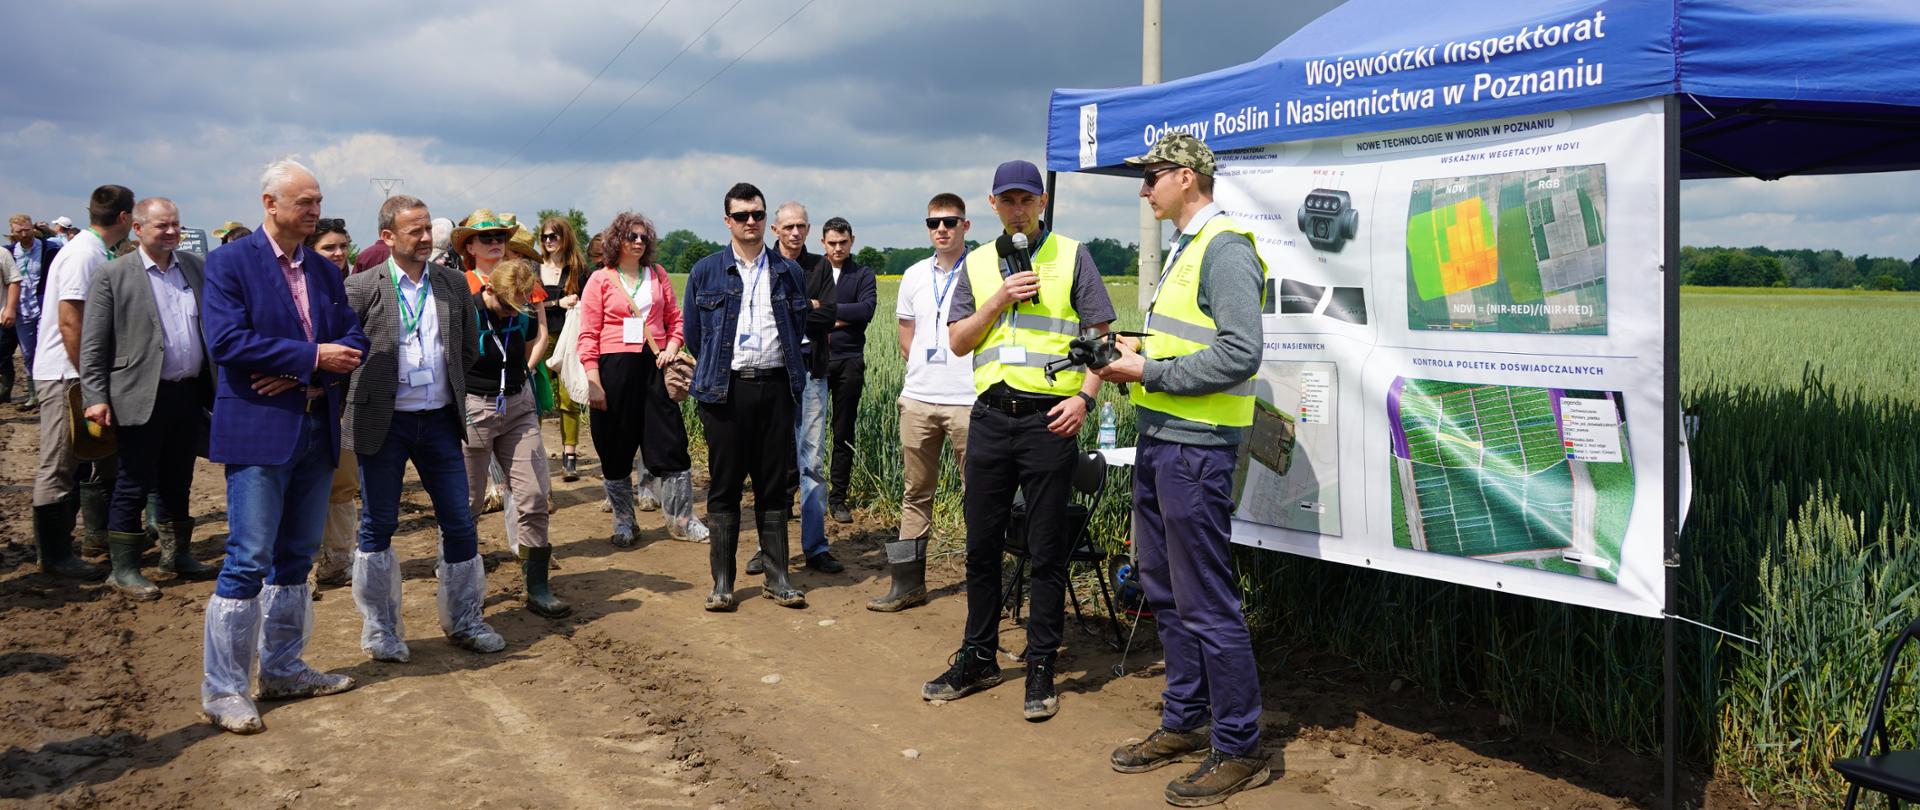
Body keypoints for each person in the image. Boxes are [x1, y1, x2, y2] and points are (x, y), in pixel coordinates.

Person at [1093, 133, 1271, 804]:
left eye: (1153, 177)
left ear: (1189, 178)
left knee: (1205, 600)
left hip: (1197, 450)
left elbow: (1239, 354)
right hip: (1163, 441)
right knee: (1164, 590)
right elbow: (1187, 344)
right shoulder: (1186, 247)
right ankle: (1185, 721)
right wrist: (1133, 355)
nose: (1144, 189)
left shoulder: (1223, 248)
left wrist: (1150, 369)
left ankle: (1238, 744)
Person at [921, 159, 1113, 722]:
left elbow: (1102, 339)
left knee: (1047, 549)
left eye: (1027, 200)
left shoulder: (1073, 255)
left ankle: (1041, 664)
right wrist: (999, 298)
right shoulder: (978, 264)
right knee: (981, 546)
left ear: (1043, 202)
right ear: (992, 205)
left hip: (1048, 419)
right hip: (989, 416)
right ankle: (978, 655)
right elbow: (958, 342)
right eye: (1008, 201)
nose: (1019, 210)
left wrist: (1085, 399)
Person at [199, 159, 368, 733]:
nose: (315, 211)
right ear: (270, 203)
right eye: (305, 202)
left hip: (316, 426)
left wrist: (308, 370)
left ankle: (284, 669)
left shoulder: (322, 271)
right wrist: (311, 359)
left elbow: (352, 333)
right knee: (249, 558)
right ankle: (224, 690)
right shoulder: (228, 264)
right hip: (259, 431)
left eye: (318, 201)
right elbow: (226, 341)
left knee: (296, 557)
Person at [343, 194, 501, 662]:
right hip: (383, 424)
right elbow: (345, 353)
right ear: (388, 237)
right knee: (378, 524)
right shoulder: (361, 288)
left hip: (437, 421)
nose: (426, 237)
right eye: (415, 230)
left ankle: (466, 619)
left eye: (428, 228)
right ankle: (382, 630)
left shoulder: (452, 284)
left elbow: (467, 350)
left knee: (458, 520)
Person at [79, 197, 220, 599]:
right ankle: (123, 568)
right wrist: (96, 397)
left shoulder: (195, 268)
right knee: (133, 479)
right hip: (139, 394)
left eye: (176, 224)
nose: (172, 232)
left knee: (179, 476)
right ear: (138, 229)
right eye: (162, 226)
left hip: (188, 391)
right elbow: (94, 344)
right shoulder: (113, 274)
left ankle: (177, 555)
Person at [684, 183, 809, 611]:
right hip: (726, 391)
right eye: (741, 216)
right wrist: (722, 372)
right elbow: (695, 336)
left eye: (757, 214)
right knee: (725, 486)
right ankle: (723, 583)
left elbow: (797, 330)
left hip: (776, 388)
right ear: (728, 222)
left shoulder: (789, 272)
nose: (750, 221)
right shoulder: (706, 271)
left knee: (774, 486)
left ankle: (777, 577)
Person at [870, 194, 976, 612]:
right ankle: (908, 586)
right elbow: (905, 336)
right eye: (934, 223)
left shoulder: (981, 271)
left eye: (950, 221)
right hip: (917, 400)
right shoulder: (914, 275)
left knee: (979, 496)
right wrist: (924, 372)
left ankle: (981, 588)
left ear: (966, 226)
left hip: (968, 401)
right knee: (916, 493)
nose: (942, 229)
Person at [578, 211, 704, 546]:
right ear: (616, 240)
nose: (637, 242)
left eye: (643, 237)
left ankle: (681, 520)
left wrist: (672, 347)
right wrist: (594, 380)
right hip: (614, 369)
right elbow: (588, 335)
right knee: (614, 447)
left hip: (654, 366)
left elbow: (676, 320)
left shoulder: (658, 274)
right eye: (631, 236)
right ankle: (624, 522)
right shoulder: (600, 279)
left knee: (671, 441)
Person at [29, 184, 136, 580]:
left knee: (91, 456)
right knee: (59, 462)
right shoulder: (84, 254)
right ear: (124, 217)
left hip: (78, 375)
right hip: (66, 376)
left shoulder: (94, 251)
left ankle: (88, 538)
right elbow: (71, 319)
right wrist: (91, 382)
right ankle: (54, 555)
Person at [464, 258, 570, 618]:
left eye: (519, 306)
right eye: (506, 305)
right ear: (488, 290)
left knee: (535, 495)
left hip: (517, 407)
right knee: (468, 501)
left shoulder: (522, 314)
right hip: (474, 410)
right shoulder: (467, 312)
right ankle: (463, 587)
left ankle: (537, 586)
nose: (512, 314)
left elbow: (528, 348)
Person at [452, 210, 547, 524]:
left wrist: (525, 369)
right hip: (476, 401)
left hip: (518, 393)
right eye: (486, 237)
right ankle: (459, 564)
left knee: (530, 491)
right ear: (469, 246)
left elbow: (536, 334)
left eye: (501, 236)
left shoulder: (523, 280)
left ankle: (527, 556)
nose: (495, 242)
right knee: (468, 496)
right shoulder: (460, 286)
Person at [769, 201, 837, 577]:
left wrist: (793, 308)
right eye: (789, 226)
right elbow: (766, 313)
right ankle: (772, 547)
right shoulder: (765, 265)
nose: (795, 233)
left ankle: (815, 547)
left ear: (809, 230)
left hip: (812, 373)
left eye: (801, 227)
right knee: (773, 463)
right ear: (775, 230)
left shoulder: (820, 265)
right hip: (774, 373)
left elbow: (828, 313)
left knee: (811, 463)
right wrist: (804, 305)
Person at [307, 218, 357, 586]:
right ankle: (302, 566)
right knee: (306, 486)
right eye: (329, 247)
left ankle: (339, 560)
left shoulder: (353, 288)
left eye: (342, 246)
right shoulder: (300, 290)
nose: (338, 253)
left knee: (343, 485)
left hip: (345, 401)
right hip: (303, 403)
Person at [821, 216, 876, 530]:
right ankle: (791, 496)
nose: (838, 248)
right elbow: (802, 309)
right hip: (815, 360)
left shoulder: (863, 274)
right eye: (832, 243)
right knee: (804, 430)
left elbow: (865, 311)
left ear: (852, 240)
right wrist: (844, 315)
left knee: (843, 432)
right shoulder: (813, 271)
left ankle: (837, 497)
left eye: (843, 242)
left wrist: (825, 312)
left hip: (850, 361)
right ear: (823, 243)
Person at [537, 216, 588, 480]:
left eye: (553, 237)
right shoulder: (534, 268)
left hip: (570, 338)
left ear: (564, 237)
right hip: (540, 337)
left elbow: (590, 302)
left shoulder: (578, 268)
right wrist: (558, 303)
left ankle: (570, 456)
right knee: (538, 395)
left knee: (569, 397)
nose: (548, 242)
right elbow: (526, 304)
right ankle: (534, 454)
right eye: (544, 237)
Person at [10, 214, 61, 412]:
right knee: (29, 352)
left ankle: (49, 392)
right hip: (22, 309)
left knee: (47, 348)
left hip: (44, 307)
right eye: (19, 231)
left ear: (33, 228)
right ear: (12, 233)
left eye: (27, 230)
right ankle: (34, 394)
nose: (24, 234)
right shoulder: (9, 253)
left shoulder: (49, 249)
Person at [0, 245, 20, 406]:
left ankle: (3, 394)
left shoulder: (2, 253)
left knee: (2, 359)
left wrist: (10, 308)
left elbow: (14, 281)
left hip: (0, 316)